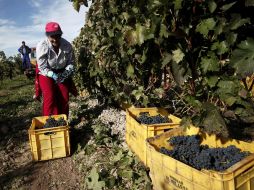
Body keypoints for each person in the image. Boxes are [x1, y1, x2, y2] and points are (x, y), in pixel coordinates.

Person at [35, 21, 77, 116]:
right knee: (50, 96)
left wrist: (64, 74)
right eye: (52, 37)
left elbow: (71, 63)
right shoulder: (42, 46)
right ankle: (48, 122)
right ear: (47, 36)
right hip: (46, 72)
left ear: (60, 34)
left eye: (57, 36)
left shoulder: (67, 45)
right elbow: (42, 66)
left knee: (64, 96)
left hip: (62, 71)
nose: (55, 39)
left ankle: (63, 120)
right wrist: (52, 74)